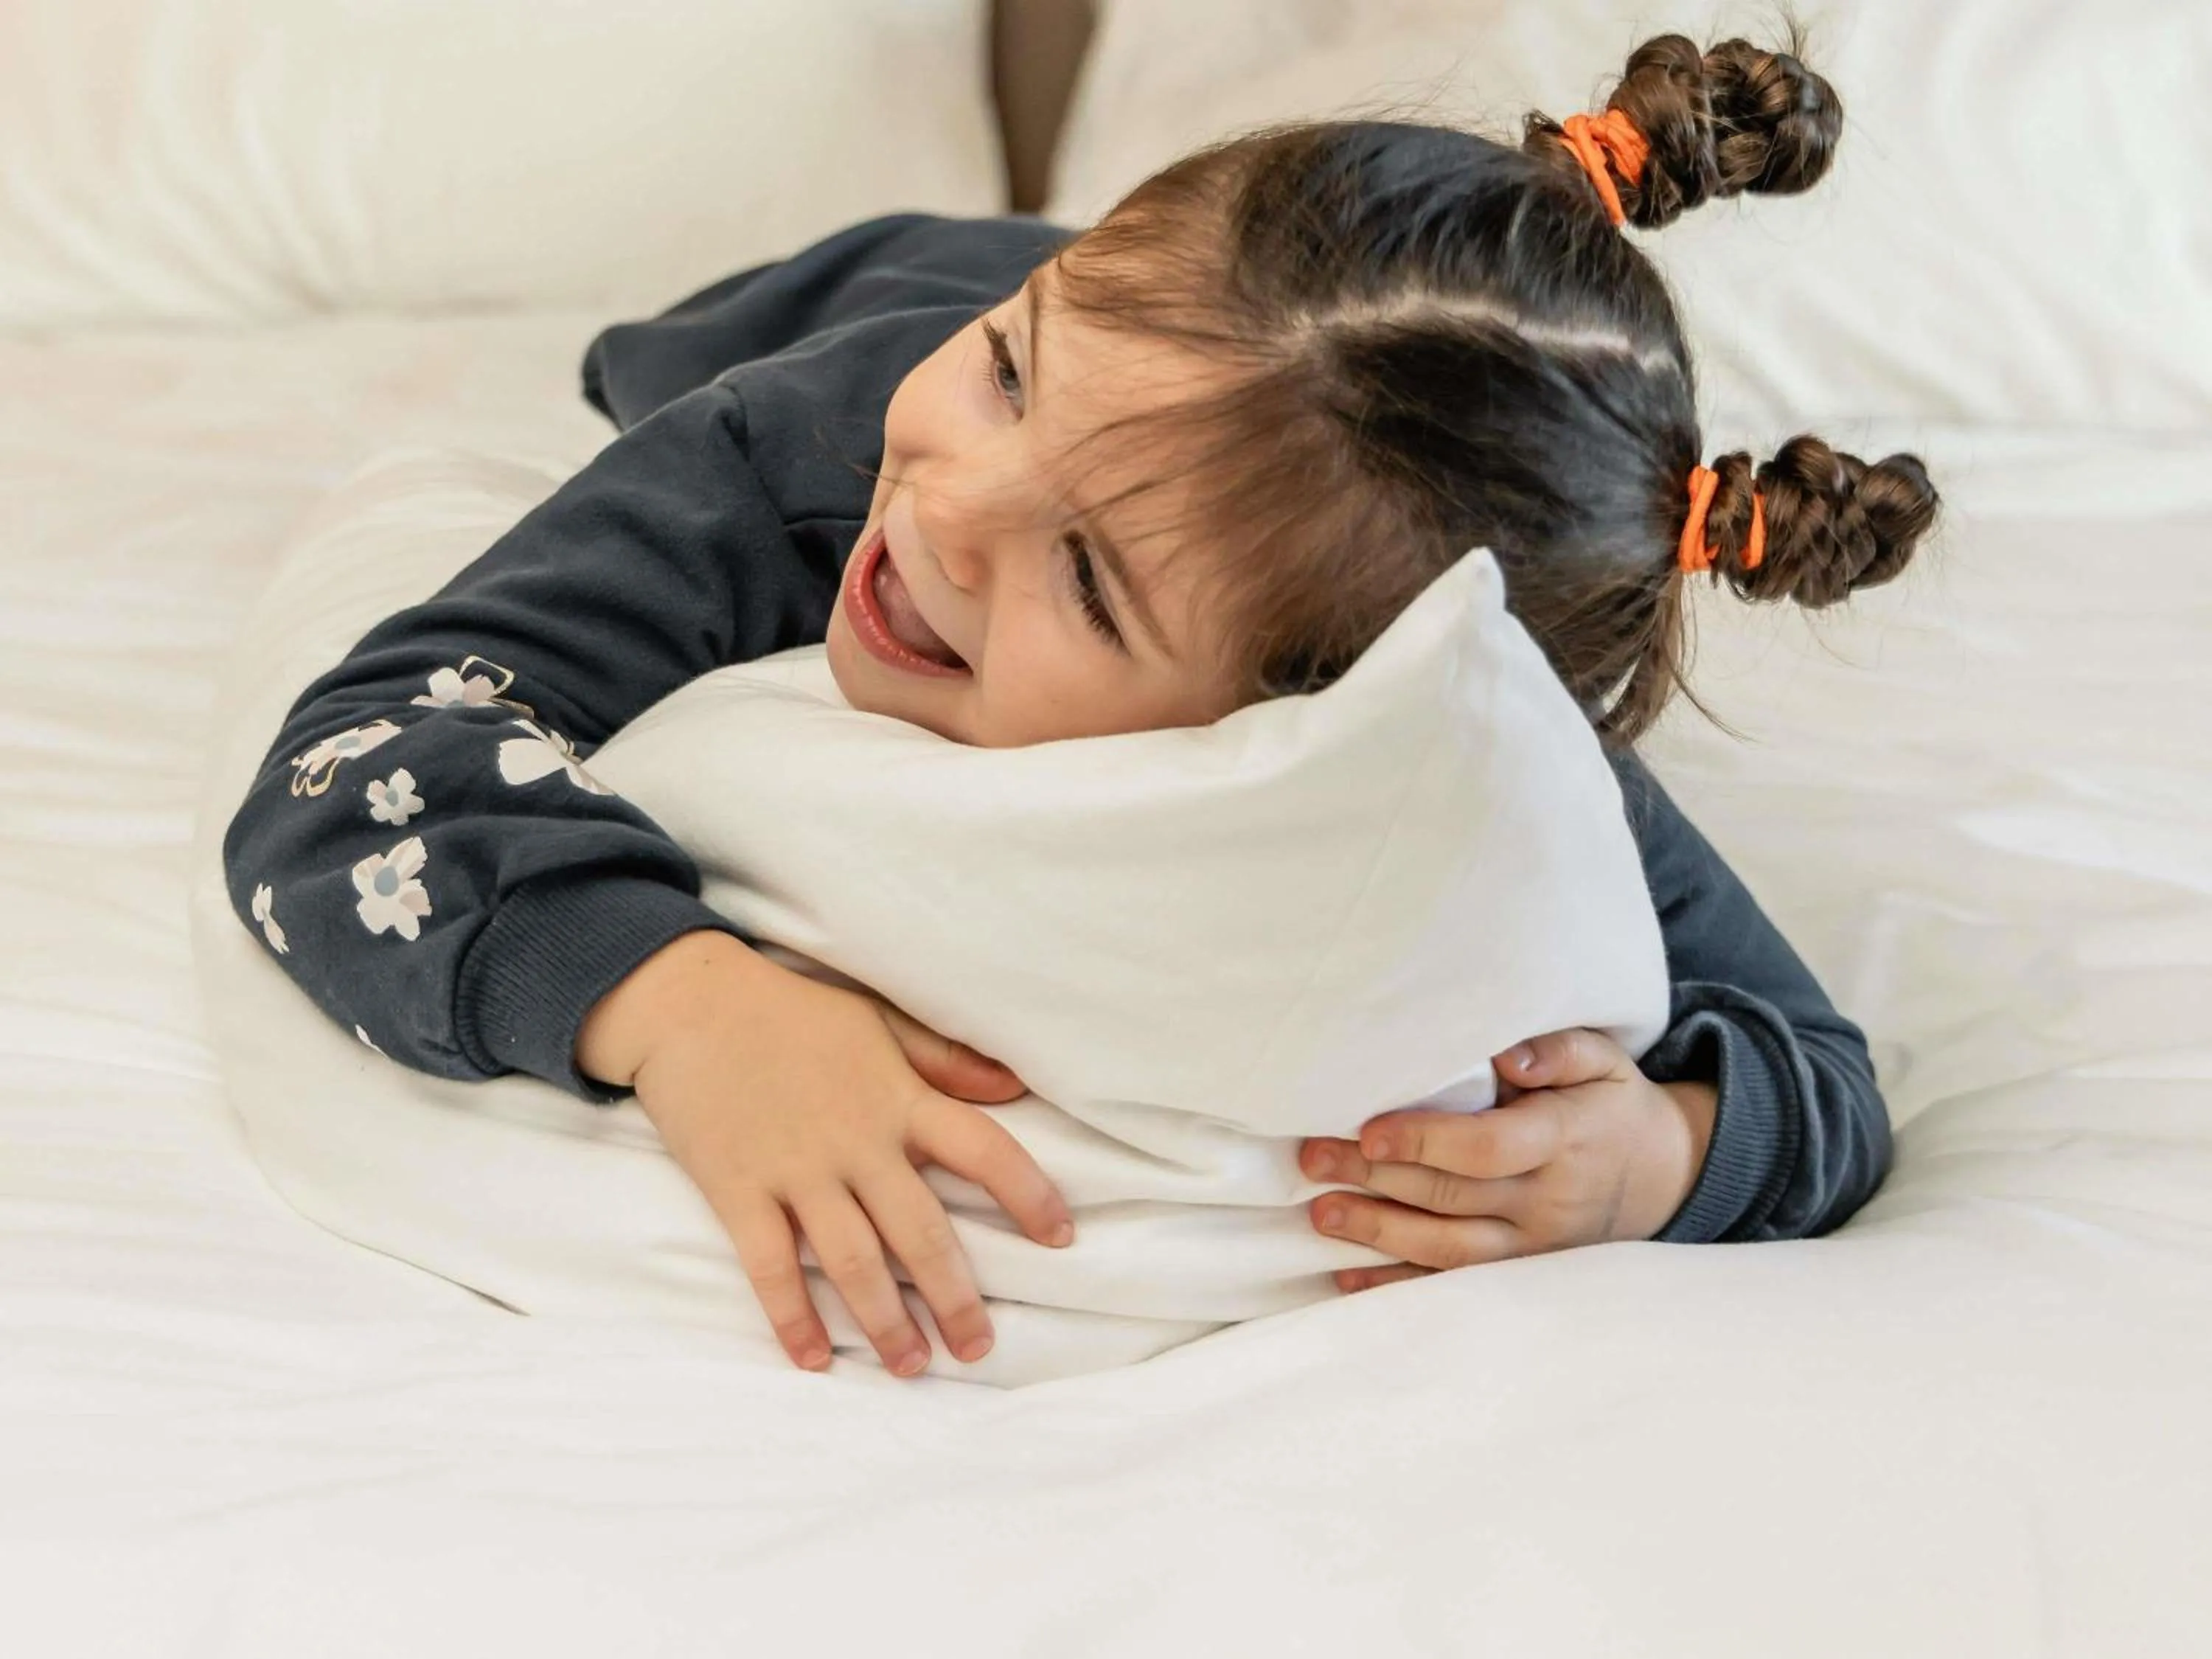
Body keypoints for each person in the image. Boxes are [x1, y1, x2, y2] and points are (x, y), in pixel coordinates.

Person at [225, 29, 1938, 1380]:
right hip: (825, 304)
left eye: (1092, 580)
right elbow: (359, 758)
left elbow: (1825, 1084)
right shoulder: (812, 458)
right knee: (853, 358)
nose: (952, 509)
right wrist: (686, 1006)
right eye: (1011, 370)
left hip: (1152, 393)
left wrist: (1662, 1150)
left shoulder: (1480, 735)